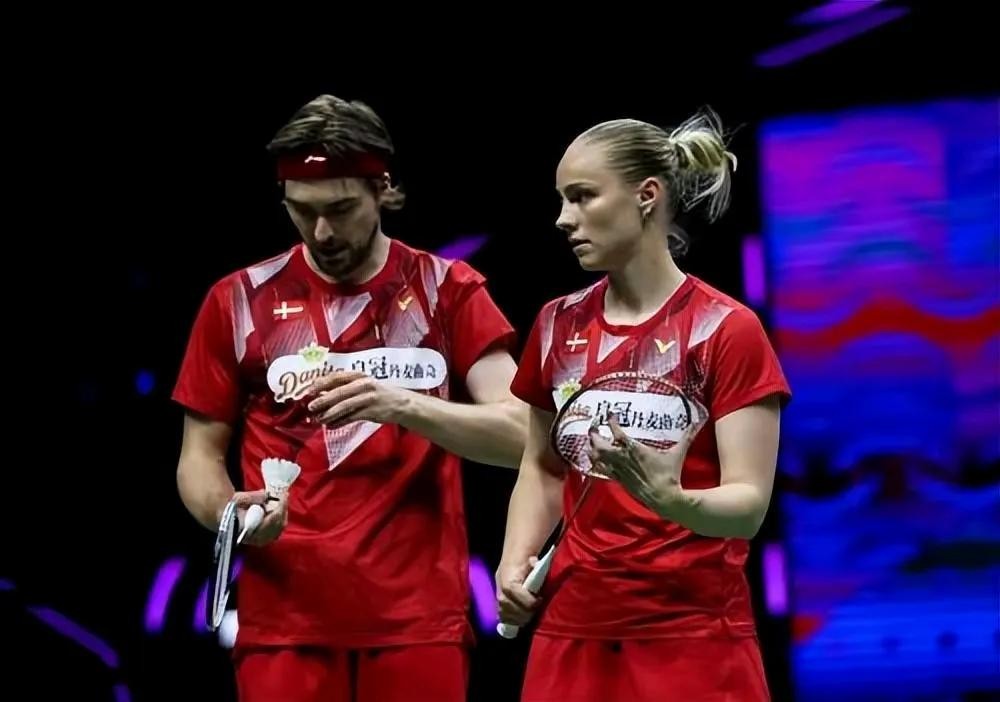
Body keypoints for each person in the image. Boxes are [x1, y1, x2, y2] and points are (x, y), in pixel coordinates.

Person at [173, 94, 526, 702]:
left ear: (382, 189)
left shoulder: (448, 290)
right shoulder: (237, 300)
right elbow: (198, 459)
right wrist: (234, 516)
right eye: (302, 210)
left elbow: (522, 436)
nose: (322, 233)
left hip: (418, 623)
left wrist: (403, 405)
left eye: (340, 209)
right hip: (284, 625)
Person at [496, 108, 791, 702]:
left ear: (647, 196)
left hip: (692, 636)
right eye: (562, 200)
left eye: (582, 197)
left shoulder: (725, 329)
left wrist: (672, 500)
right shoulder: (556, 324)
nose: (563, 218)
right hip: (572, 631)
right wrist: (513, 561)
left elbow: (748, 506)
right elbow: (542, 465)